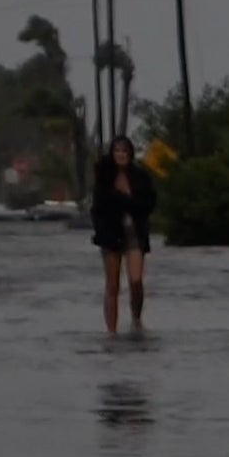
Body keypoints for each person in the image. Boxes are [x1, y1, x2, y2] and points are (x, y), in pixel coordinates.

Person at [90, 136, 158, 334]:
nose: (121, 155)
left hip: (135, 233)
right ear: (112, 153)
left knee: (136, 281)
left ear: (130, 154)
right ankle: (111, 331)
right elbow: (100, 206)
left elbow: (147, 204)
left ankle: (136, 319)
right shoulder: (104, 177)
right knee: (112, 285)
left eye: (124, 151)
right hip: (110, 234)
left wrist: (126, 199)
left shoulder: (140, 177)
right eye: (117, 151)